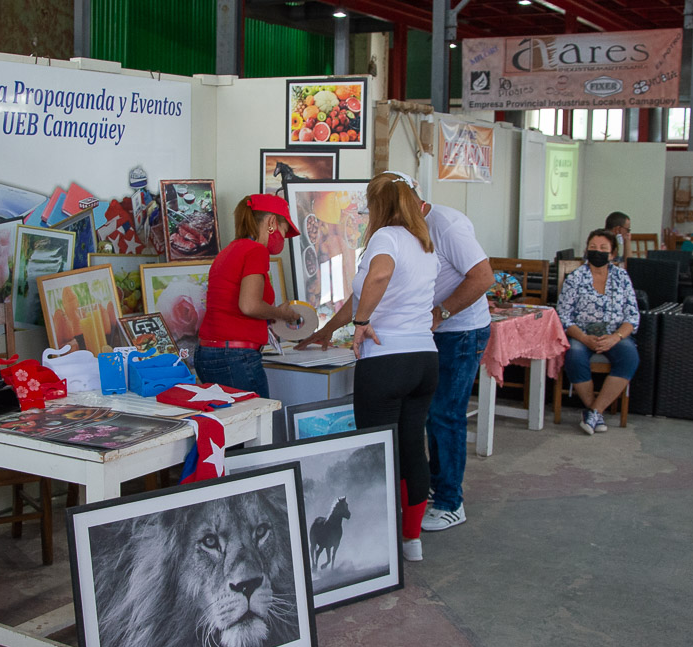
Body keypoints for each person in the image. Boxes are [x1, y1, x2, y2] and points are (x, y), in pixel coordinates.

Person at [297, 172, 440, 562]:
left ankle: (378, 546)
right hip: (424, 360)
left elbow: (378, 276)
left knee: (375, 453)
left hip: (387, 360)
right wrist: (328, 329)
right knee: (412, 448)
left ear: (380, 205)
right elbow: (362, 296)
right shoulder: (424, 242)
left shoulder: (386, 237)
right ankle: (411, 541)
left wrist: (361, 326)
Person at [414, 177, 495, 533]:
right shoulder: (413, 226)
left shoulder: (445, 224)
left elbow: (482, 277)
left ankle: (450, 502)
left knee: (446, 414)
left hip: (460, 333)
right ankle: (439, 486)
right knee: (434, 413)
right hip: (437, 334)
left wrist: (441, 312)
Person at [194, 194, 301, 397]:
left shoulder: (229, 250)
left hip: (207, 353)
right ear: (271, 222)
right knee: (256, 426)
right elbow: (249, 305)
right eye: (283, 230)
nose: (282, 239)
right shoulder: (256, 251)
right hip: (235, 356)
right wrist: (281, 314)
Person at [556, 229, 640, 435]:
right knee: (574, 355)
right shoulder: (576, 277)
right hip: (581, 334)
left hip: (614, 334)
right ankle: (595, 413)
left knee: (630, 357)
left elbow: (632, 316)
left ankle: (594, 411)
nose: (597, 252)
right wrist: (584, 338)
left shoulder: (622, 277)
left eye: (603, 248)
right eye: (593, 247)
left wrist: (615, 337)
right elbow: (563, 315)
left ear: (612, 254)